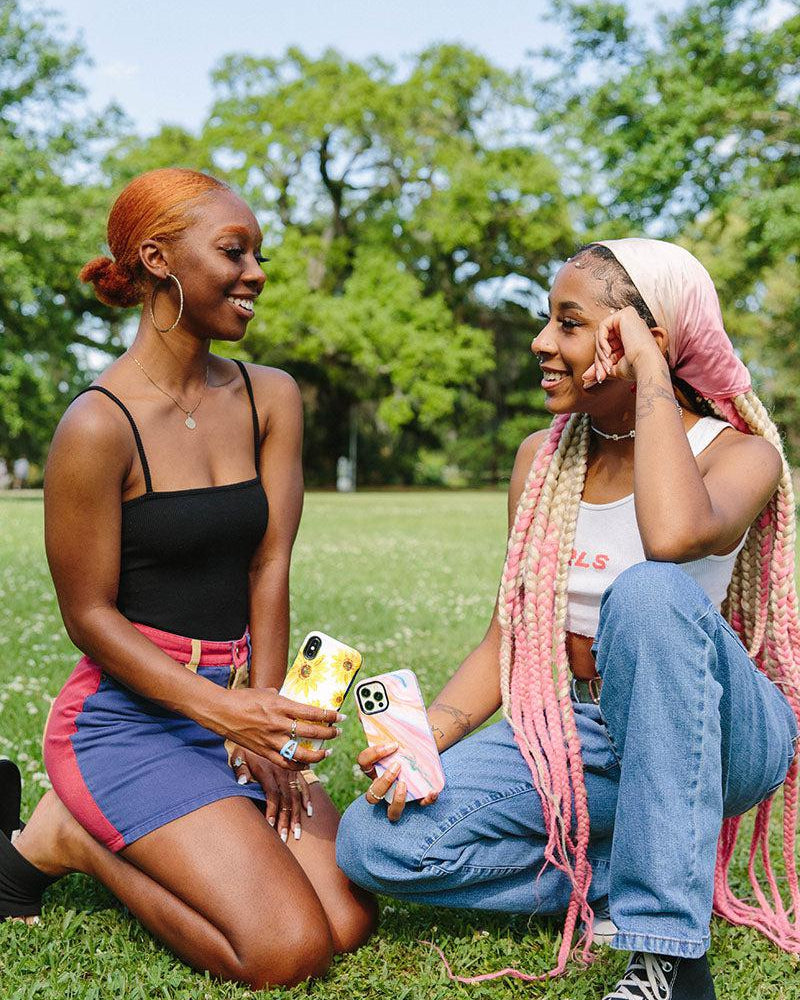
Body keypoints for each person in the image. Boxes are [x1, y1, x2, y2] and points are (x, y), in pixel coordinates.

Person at [336, 239, 800, 1000]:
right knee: (373, 843)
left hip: (718, 734)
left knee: (648, 594)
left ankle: (669, 960)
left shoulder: (741, 454)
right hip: (579, 728)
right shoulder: (542, 460)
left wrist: (650, 370)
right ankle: (630, 871)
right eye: (547, 320)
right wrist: (426, 743)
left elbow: (673, 537)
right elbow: (510, 636)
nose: (541, 342)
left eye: (570, 323)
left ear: (643, 340)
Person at [0, 168, 376, 988]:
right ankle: (73, 839)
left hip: (234, 706)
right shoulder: (97, 425)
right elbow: (89, 616)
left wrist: (264, 723)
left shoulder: (271, 397)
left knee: (348, 920)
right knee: (286, 950)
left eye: (259, 255)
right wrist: (222, 712)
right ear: (157, 259)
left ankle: (162, 813)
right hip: (126, 723)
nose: (256, 274)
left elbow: (269, 563)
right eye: (234, 252)